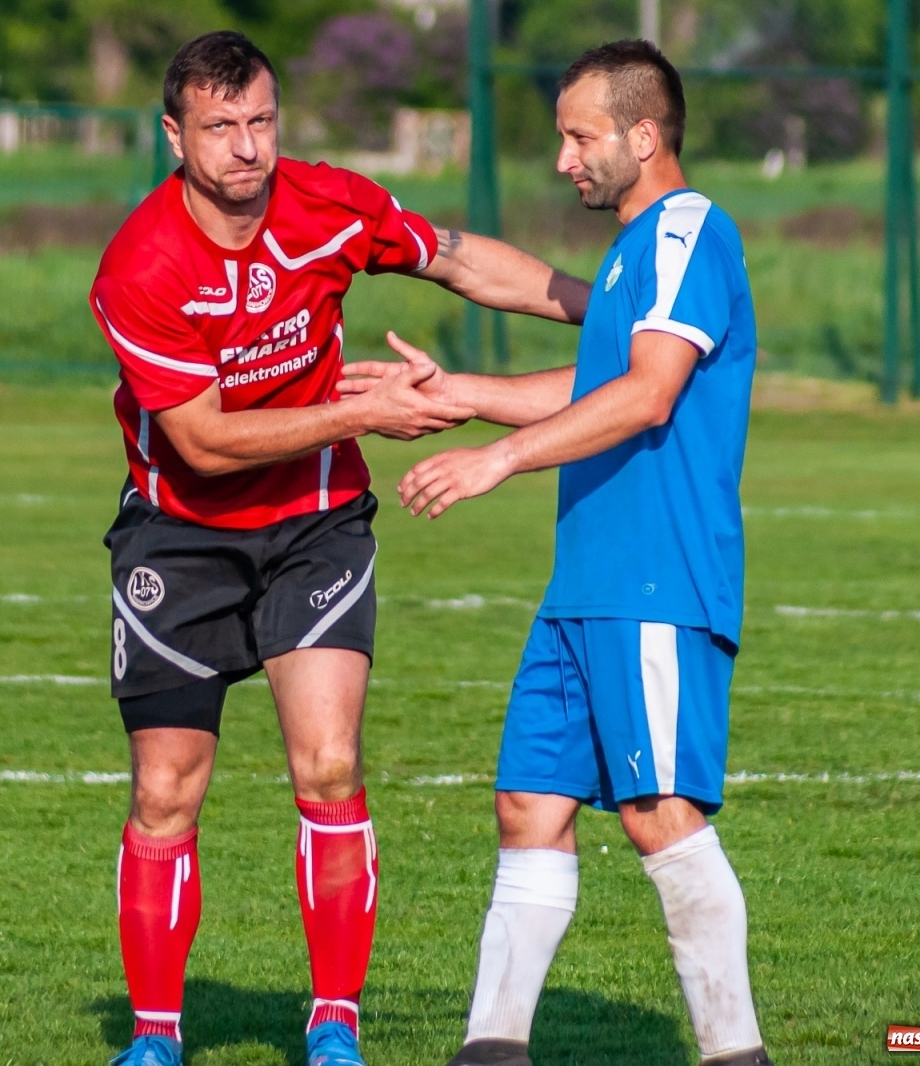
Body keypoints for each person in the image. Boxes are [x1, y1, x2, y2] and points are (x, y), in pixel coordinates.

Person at [88, 30, 590, 1066]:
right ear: (173, 134)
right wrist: (361, 415)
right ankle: (152, 1035)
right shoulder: (141, 264)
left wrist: (608, 309)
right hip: (179, 533)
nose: (246, 148)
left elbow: (453, 257)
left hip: (314, 526)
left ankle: (333, 1022)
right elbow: (204, 440)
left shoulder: (328, 206)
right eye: (220, 127)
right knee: (165, 789)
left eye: (261, 121)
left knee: (327, 764)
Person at [343, 38, 772, 1066]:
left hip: (656, 582)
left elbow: (646, 393)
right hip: (586, 586)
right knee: (529, 803)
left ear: (642, 134)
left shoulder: (687, 232)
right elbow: (583, 367)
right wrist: (458, 396)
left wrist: (497, 461)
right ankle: (492, 1050)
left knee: (658, 814)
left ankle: (735, 1052)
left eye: (580, 137)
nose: (564, 158)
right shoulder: (631, 250)